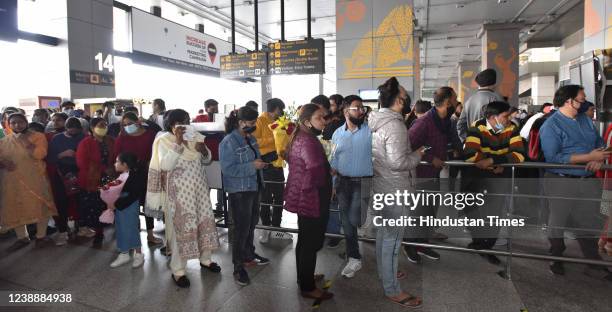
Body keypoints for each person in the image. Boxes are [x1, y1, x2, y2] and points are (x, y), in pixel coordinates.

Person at [539, 85, 612, 280]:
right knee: (558, 220)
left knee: (588, 220)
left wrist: (598, 158)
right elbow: (553, 157)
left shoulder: (585, 120)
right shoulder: (551, 125)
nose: (584, 101)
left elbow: (598, 143)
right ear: (568, 101)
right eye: (581, 99)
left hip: (587, 180)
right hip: (561, 180)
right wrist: (588, 156)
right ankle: (556, 256)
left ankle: (593, 262)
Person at [145, 109, 220, 287]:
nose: (186, 124)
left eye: (187, 120)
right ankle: (178, 270)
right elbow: (165, 164)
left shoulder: (195, 136)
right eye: (182, 122)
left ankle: (206, 259)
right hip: (178, 193)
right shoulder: (163, 140)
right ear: (172, 125)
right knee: (181, 229)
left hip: (199, 189)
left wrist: (203, 150)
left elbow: (207, 159)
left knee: (204, 222)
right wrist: (178, 143)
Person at [369, 77, 424, 308]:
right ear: (399, 101)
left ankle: (385, 274)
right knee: (392, 240)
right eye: (404, 94)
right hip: (395, 190)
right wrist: (418, 154)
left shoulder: (375, 120)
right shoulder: (395, 125)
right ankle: (392, 290)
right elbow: (398, 162)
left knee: (384, 234)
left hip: (380, 186)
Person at [463, 101, 525, 265]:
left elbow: (519, 155)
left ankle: (487, 246)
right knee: (472, 209)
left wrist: (493, 161)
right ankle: (477, 242)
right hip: (477, 176)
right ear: (492, 117)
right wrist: (495, 165)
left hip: (499, 177)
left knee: (495, 213)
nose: (508, 119)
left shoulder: (512, 128)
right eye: (505, 116)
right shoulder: (477, 127)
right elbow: (471, 154)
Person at [283, 104, 333, 300]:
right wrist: (327, 175)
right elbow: (315, 170)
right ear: (307, 122)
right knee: (310, 243)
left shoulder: (300, 137)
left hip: (303, 195)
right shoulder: (309, 141)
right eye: (320, 118)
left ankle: (304, 277)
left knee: (304, 240)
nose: (324, 121)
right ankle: (308, 287)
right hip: (312, 197)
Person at [404, 87, 458, 263]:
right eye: (455, 99)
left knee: (430, 213)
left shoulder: (446, 122)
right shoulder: (424, 122)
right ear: (447, 102)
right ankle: (410, 245)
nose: (457, 103)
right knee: (418, 214)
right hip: (419, 175)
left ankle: (422, 245)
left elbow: (453, 140)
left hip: (434, 174)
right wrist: (429, 156)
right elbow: (408, 146)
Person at [220, 107, 270, 286]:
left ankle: (249, 254)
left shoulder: (250, 138)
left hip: (254, 186)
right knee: (241, 229)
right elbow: (228, 169)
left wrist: (261, 164)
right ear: (240, 123)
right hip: (239, 191)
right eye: (251, 123)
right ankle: (238, 267)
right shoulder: (228, 142)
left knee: (250, 225)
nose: (254, 125)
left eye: (254, 122)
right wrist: (252, 166)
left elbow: (254, 160)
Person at [0, 113, 57, 251]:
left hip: (35, 179)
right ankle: (22, 238)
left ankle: (40, 237)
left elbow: (40, 154)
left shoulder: (38, 137)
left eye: (20, 122)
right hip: (12, 181)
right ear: (9, 124)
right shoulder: (5, 141)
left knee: (40, 205)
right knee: (15, 207)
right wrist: (3, 162)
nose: (17, 125)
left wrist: (25, 142)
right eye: (13, 123)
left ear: (26, 122)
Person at [330, 95, 372, 278]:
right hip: (341, 182)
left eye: (363, 108)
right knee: (347, 223)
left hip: (362, 182)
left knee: (355, 219)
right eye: (357, 108)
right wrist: (332, 185)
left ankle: (357, 234)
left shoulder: (370, 131)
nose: (361, 110)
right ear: (346, 111)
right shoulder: (337, 133)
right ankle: (354, 257)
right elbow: (333, 161)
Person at [113, 112, 163, 246]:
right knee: (131, 204)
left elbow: (158, 150)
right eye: (124, 125)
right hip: (129, 176)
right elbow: (117, 157)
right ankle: (132, 236)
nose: (127, 127)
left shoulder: (151, 135)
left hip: (148, 173)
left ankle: (151, 235)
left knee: (148, 204)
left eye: (130, 123)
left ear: (138, 122)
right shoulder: (122, 138)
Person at [252, 98, 292, 242]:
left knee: (279, 196)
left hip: (278, 163)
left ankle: (276, 227)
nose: (281, 113)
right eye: (280, 110)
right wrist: (272, 139)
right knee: (266, 198)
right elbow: (253, 141)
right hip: (266, 164)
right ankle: (266, 229)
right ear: (275, 109)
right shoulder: (260, 121)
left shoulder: (281, 121)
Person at [74, 118, 115, 247]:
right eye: (100, 125)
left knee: (107, 206)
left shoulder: (110, 141)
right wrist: (103, 169)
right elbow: (82, 163)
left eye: (105, 125)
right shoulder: (85, 143)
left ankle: (108, 228)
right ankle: (98, 234)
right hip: (91, 180)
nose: (103, 127)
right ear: (92, 128)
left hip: (109, 179)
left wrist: (112, 169)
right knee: (95, 208)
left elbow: (116, 157)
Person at [47, 117, 88, 243]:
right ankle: (63, 230)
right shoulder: (57, 138)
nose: (73, 133)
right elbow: (49, 158)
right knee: (61, 202)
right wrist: (63, 154)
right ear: (66, 128)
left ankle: (81, 226)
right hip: (61, 174)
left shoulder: (83, 137)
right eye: (71, 131)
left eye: (76, 131)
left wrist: (79, 155)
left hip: (79, 172)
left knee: (81, 201)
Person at [107, 153, 145, 268]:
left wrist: (116, 204)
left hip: (128, 206)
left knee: (131, 228)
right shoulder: (123, 175)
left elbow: (133, 195)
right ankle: (124, 253)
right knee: (121, 228)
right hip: (121, 206)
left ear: (125, 164)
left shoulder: (135, 176)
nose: (115, 164)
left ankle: (138, 254)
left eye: (117, 162)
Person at [457, 68, 504, 142]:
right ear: (494, 83)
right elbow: (502, 124)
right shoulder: (497, 99)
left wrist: (466, 141)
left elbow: (460, 125)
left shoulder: (469, 101)